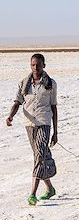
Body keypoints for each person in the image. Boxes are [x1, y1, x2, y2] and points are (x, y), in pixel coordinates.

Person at [6, 53, 58, 205]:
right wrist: (11, 116)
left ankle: (33, 194)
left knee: (39, 155)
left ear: (44, 65)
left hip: (44, 123)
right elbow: (17, 102)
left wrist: (56, 132)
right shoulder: (24, 83)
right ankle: (50, 189)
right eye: (33, 65)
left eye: (38, 65)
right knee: (39, 157)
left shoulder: (51, 84)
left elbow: (54, 107)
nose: (35, 67)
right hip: (29, 124)